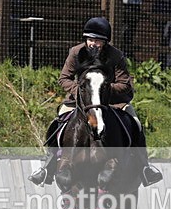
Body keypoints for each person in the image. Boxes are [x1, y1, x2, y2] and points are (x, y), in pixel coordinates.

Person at [28, 17, 163, 188]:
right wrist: (82, 92)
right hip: (81, 100)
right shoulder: (76, 52)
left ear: (105, 42)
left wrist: (102, 90)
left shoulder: (115, 56)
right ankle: (47, 166)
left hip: (111, 102)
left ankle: (144, 167)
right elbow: (64, 78)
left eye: (98, 40)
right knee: (58, 121)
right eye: (90, 39)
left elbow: (124, 84)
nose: (94, 44)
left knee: (135, 122)